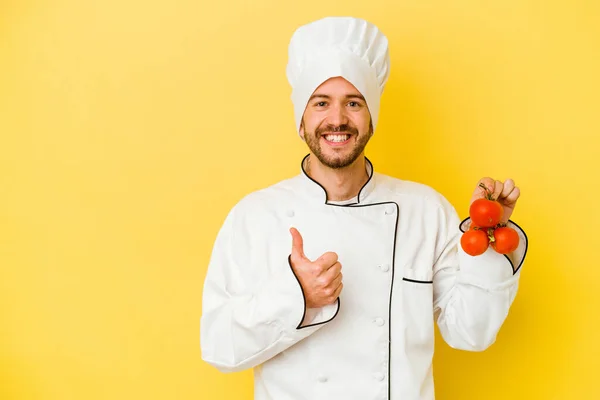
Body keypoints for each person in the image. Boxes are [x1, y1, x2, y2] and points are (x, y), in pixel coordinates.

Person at [200, 16, 528, 400]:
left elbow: (471, 334)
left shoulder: (425, 211)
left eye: (353, 103)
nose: (337, 119)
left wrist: (486, 239)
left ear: (371, 115)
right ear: (301, 119)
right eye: (321, 103)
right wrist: (297, 298)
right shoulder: (254, 217)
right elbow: (220, 348)